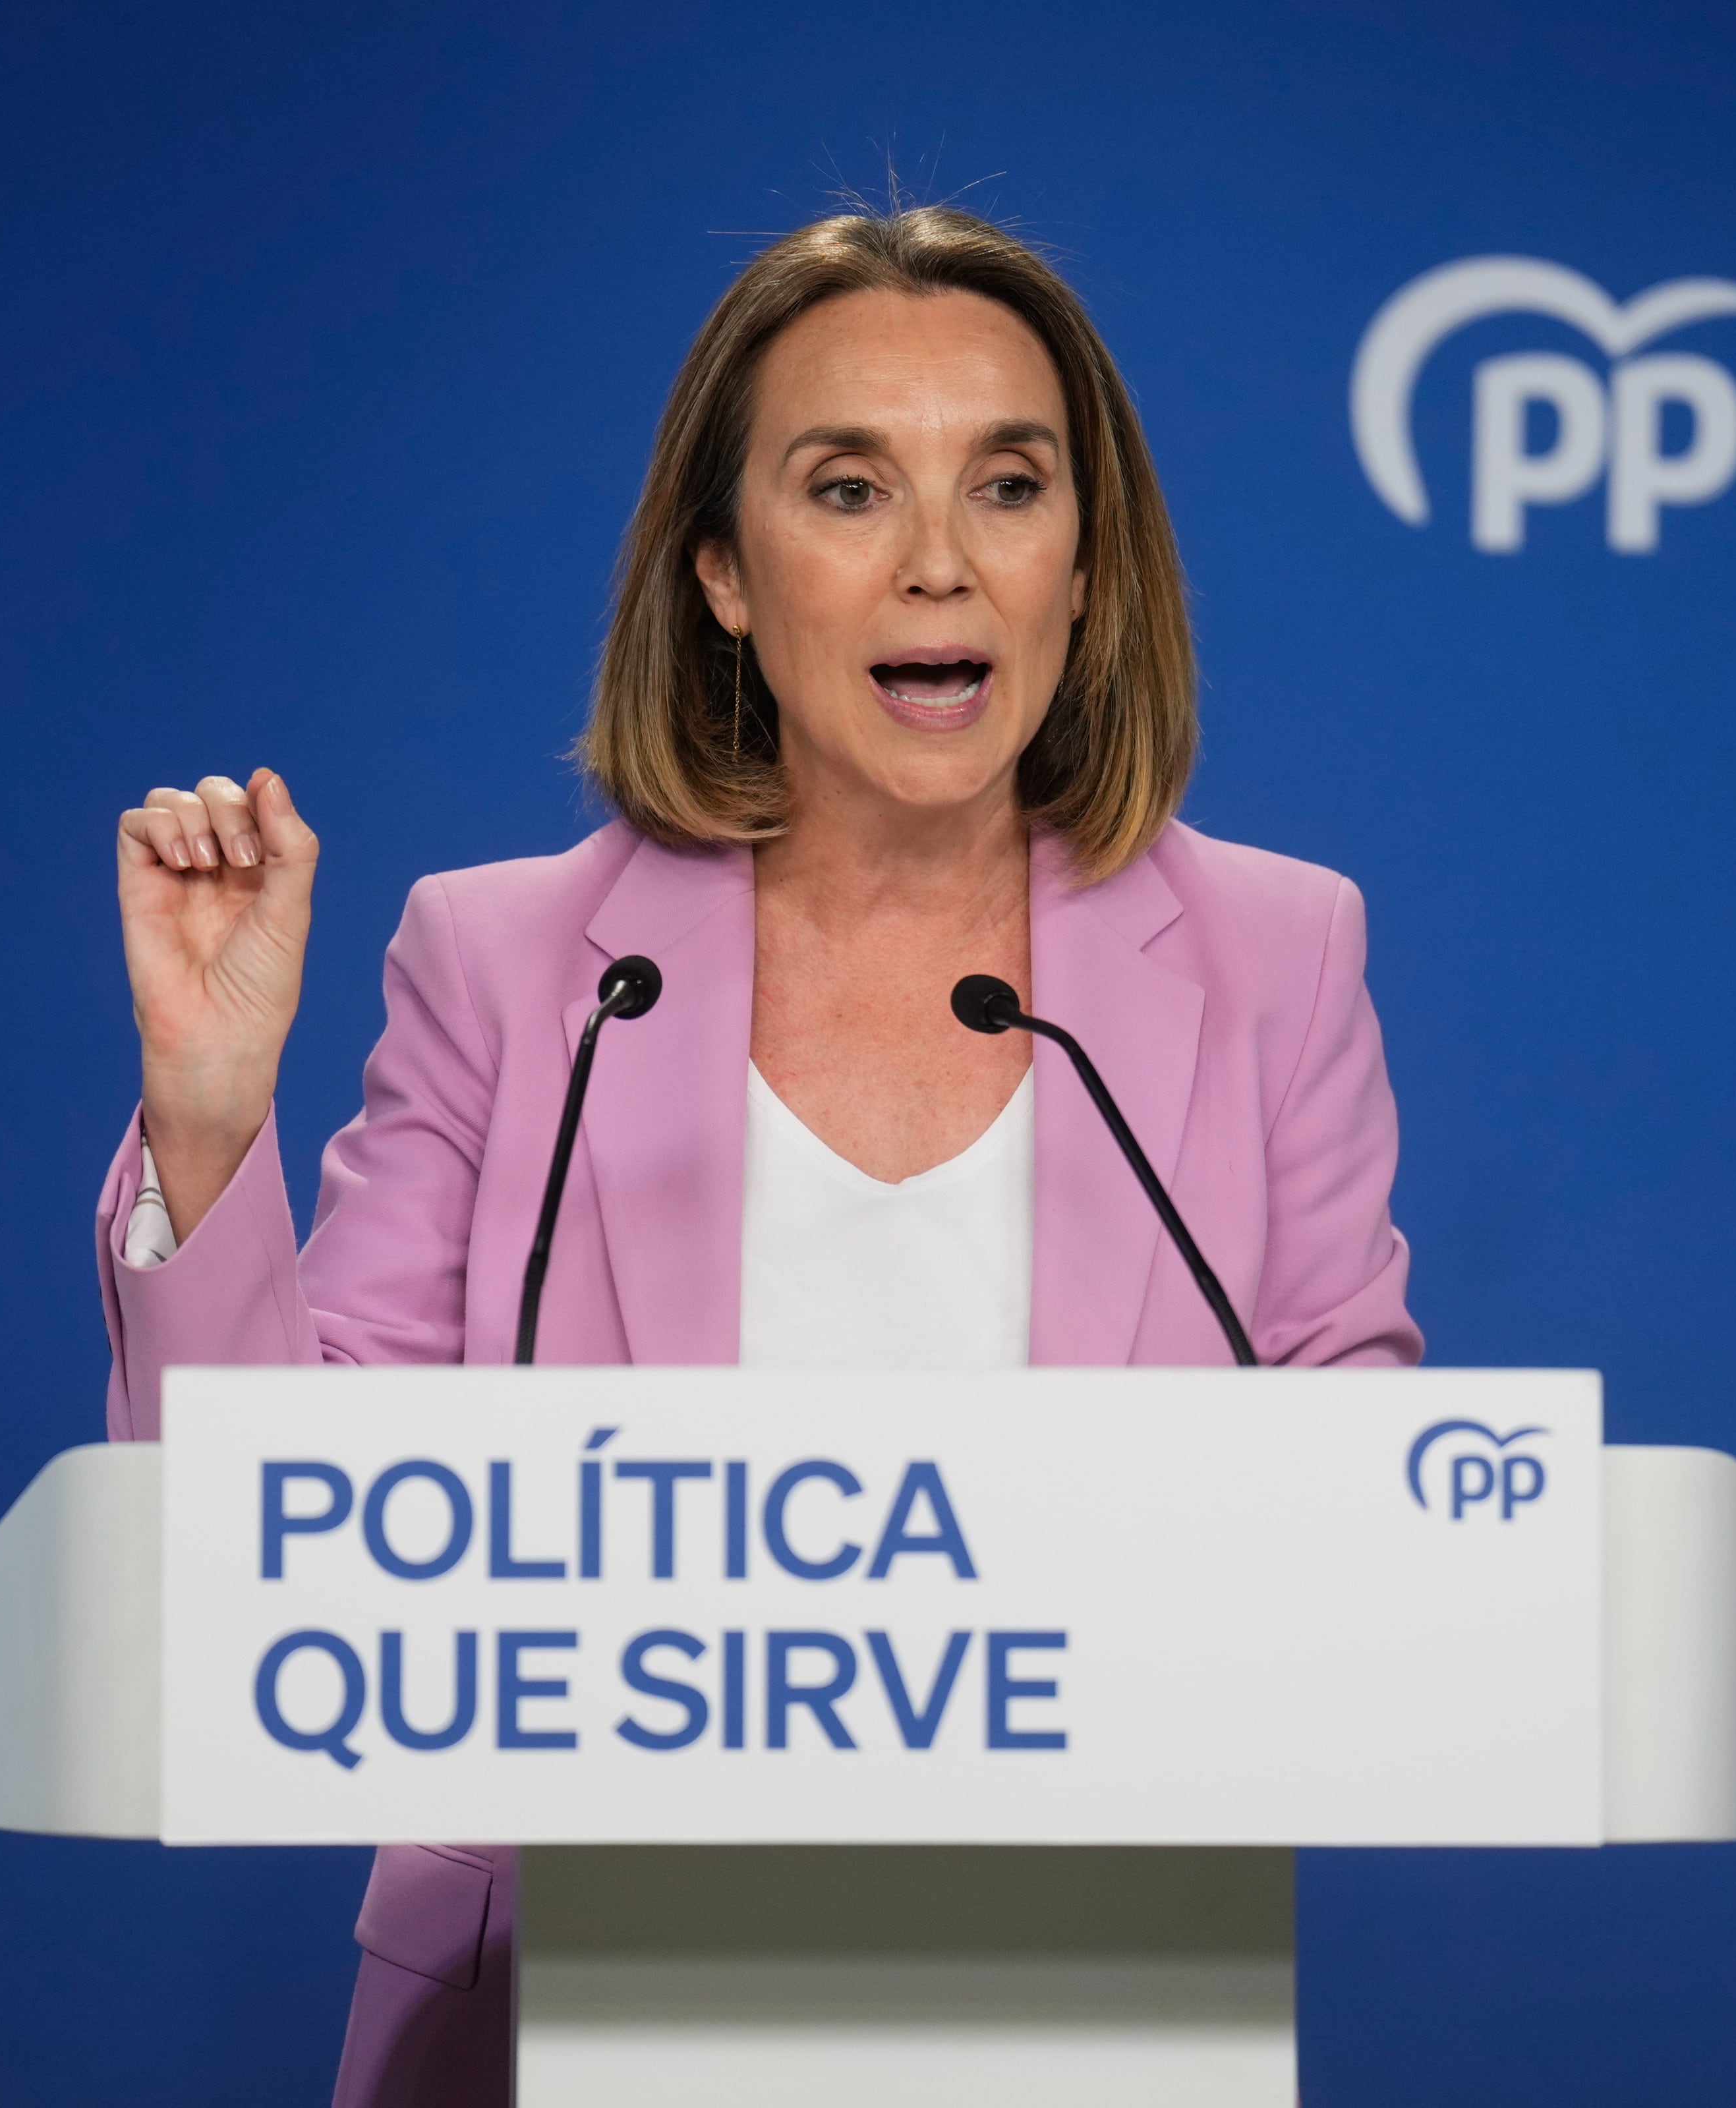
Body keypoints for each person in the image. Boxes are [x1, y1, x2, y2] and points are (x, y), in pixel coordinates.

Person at [96, 202, 1423, 2107]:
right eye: (850, 488)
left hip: (1092, 2008)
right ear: (725, 571)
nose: (941, 565)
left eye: (1013, 484)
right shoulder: (517, 966)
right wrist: (209, 1121)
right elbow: (255, 1555)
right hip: (559, 2013)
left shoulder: (1272, 958)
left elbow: (1363, 1525)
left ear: (1085, 561)